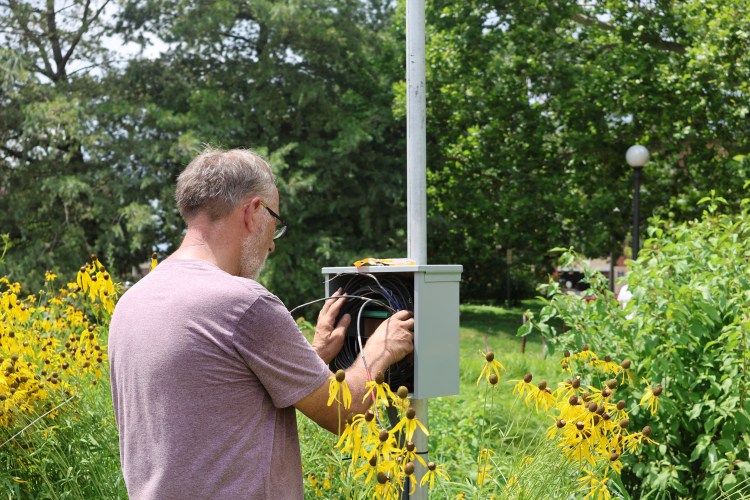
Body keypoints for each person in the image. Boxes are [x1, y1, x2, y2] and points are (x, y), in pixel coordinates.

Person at [108, 147, 415, 499]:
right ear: (253, 212)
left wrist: (313, 355)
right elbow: (343, 414)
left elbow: (218, 394)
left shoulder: (133, 301)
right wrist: (380, 349)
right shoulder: (244, 304)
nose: (271, 245)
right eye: (275, 223)